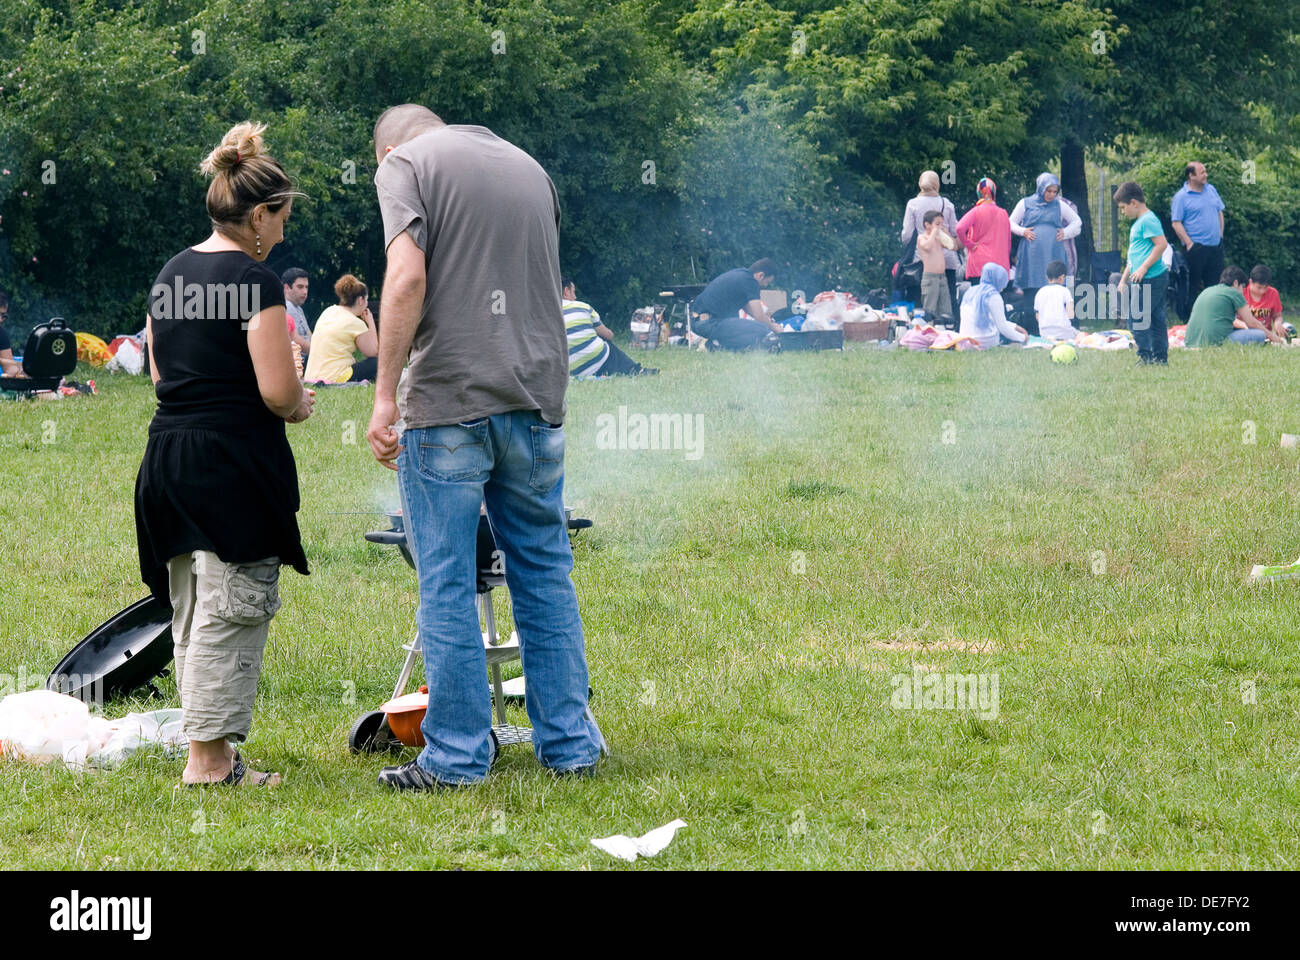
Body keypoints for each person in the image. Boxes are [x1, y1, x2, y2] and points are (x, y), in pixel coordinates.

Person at [366, 103, 606, 789]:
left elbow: (407, 277)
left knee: (444, 578)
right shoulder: (529, 167)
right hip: (534, 396)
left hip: (449, 401)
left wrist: (385, 395)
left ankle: (457, 756)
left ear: (387, 153)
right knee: (543, 570)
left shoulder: (404, 167)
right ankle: (569, 746)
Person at [135, 122, 314, 788]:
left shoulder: (171, 272)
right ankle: (209, 762)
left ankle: (210, 749)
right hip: (231, 462)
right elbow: (274, 392)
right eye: (282, 219)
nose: (284, 233)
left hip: (168, 458)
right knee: (233, 602)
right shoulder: (254, 280)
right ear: (259, 215)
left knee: (191, 602)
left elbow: (160, 376)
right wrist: (297, 400)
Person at [1009, 173, 1082, 332]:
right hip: (1031, 256)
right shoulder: (1025, 203)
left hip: (1053, 253)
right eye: (1048, 191)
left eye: (1055, 191)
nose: (1051, 195)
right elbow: (1010, 223)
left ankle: (1061, 327)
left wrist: (1065, 233)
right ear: (1041, 188)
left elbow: (1077, 222)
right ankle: (1032, 329)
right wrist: (1023, 231)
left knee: (1056, 289)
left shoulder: (1059, 205)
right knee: (1032, 290)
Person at [1114, 181, 1170, 364]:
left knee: (1136, 318)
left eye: (1123, 207)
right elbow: (1134, 256)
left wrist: (1144, 267)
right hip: (1144, 278)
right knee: (1155, 318)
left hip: (1151, 278)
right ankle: (1160, 358)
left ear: (1134, 203)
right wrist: (1123, 279)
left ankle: (1145, 356)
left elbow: (1161, 244)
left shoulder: (1148, 220)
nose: (1122, 212)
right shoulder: (1140, 223)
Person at [562, 278, 655, 377]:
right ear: (566, 292)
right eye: (573, 292)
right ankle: (637, 370)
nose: (575, 297)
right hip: (597, 361)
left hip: (567, 370)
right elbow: (608, 335)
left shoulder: (546, 314)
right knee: (606, 342)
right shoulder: (582, 307)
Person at [900, 170, 961, 312]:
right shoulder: (947, 203)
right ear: (936, 184)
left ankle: (924, 331)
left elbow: (907, 235)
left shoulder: (913, 204)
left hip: (923, 261)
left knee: (922, 304)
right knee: (948, 303)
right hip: (947, 260)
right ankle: (950, 330)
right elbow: (955, 231)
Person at [689, 258, 783, 350]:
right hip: (709, 323)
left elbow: (751, 311)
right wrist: (774, 329)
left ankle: (714, 345)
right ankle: (716, 343)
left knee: (753, 335)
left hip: (696, 321)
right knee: (761, 329)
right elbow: (759, 316)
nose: (765, 285)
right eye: (767, 282)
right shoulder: (750, 282)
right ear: (760, 275)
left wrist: (771, 323)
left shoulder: (741, 275)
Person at [302, 274, 378, 383]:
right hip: (335, 377)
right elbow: (373, 352)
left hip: (311, 376)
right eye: (366, 300)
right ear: (360, 300)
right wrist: (370, 322)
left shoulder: (329, 311)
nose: (366, 304)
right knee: (376, 363)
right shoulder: (355, 322)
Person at [1185, 265, 1285, 347]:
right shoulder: (1234, 293)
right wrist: (1275, 339)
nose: (1242, 292)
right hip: (1215, 342)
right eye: (1242, 287)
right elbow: (1252, 323)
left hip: (1191, 340)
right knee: (1260, 335)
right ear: (1236, 283)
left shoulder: (1208, 290)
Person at [1170, 161, 1226, 303]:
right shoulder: (1181, 197)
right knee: (1192, 287)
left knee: (1215, 287)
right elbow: (1176, 223)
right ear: (1191, 175)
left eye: (1205, 171)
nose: (1206, 175)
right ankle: (1189, 320)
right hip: (1196, 249)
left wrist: (1220, 235)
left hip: (1215, 247)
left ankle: (1213, 318)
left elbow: (1219, 212)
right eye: (1202, 172)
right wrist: (1189, 243)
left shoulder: (1211, 189)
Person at [955, 177, 1012, 285]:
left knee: (979, 298)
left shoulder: (976, 211)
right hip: (1000, 265)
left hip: (979, 264)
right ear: (994, 193)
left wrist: (969, 244)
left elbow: (959, 228)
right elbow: (1008, 242)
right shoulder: (1003, 213)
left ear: (979, 193)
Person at [959, 263, 1027, 349]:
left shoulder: (970, 291)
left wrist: (1015, 327)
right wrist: (1023, 337)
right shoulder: (993, 296)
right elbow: (1002, 327)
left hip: (965, 340)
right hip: (984, 341)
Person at [915, 210, 955, 321]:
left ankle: (946, 328)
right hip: (930, 278)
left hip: (942, 276)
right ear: (927, 225)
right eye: (937, 223)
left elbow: (953, 246)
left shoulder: (938, 238)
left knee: (946, 309)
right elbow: (927, 246)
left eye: (941, 224)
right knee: (929, 309)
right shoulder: (922, 237)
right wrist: (934, 232)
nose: (939, 226)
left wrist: (945, 233)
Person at [1034, 260, 1079, 340]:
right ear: (1062, 277)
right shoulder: (1065, 291)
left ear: (1047, 277)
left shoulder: (1040, 292)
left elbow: (1037, 316)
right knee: (1080, 335)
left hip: (1045, 334)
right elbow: (1070, 314)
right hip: (1064, 332)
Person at [1243, 264, 1284, 339]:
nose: (1262, 291)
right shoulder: (1242, 292)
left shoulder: (1273, 293)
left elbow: (1277, 316)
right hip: (1246, 331)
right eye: (1259, 287)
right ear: (1250, 282)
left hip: (1267, 333)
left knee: (1288, 327)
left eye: (1265, 287)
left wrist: (1277, 323)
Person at [281, 267, 312, 357]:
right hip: (298, 363)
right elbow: (295, 339)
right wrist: (317, 353)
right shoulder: (286, 307)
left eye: (306, 287)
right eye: (300, 287)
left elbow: (309, 333)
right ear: (286, 288)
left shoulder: (298, 308)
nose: (305, 292)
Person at [0, 291, 21, 376]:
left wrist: (20, 371)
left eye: (3, 316)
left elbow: (9, 368)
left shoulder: (1, 334)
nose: (0, 320)